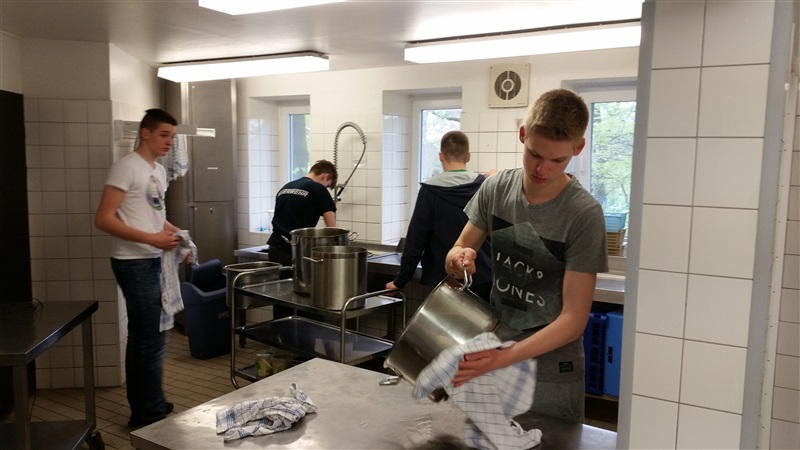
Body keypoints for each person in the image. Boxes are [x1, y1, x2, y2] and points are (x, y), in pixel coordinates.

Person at [445, 89, 608, 423]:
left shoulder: (583, 214)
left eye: (557, 160)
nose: (543, 169)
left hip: (550, 373)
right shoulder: (496, 189)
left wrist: (505, 357)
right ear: (523, 134)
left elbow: (573, 320)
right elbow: (457, 252)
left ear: (578, 148)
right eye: (535, 154)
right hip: (494, 353)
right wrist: (459, 259)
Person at [95, 108, 182, 428]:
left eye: (172, 136)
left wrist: (178, 236)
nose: (169, 142)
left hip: (152, 259)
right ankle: (146, 413)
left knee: (152, 336)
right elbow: (104, 219)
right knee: (148, 338)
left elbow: (155, 217)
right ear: (145, 133)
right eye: (164, 134)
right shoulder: (126, 167)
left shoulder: (157, 170)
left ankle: (151, 402)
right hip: (132, 262)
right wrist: (152, 239)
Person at [385, 130, 493, 302]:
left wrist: (401, 280)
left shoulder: (430, 191)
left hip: (445, 280)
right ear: (468, 156)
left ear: (441, 156)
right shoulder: (485, 186)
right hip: (484, 277)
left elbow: (415, 241)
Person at [266, 160, 338, 318]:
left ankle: (281, 332)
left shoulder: (287, 187)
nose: (326, 188)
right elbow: (332, 229)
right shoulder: (318, 189)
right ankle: (306, 334)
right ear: (325, 176)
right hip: (299, 253)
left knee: (281, 298)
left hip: (276, 248)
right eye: (327, 185)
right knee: (306, 300)